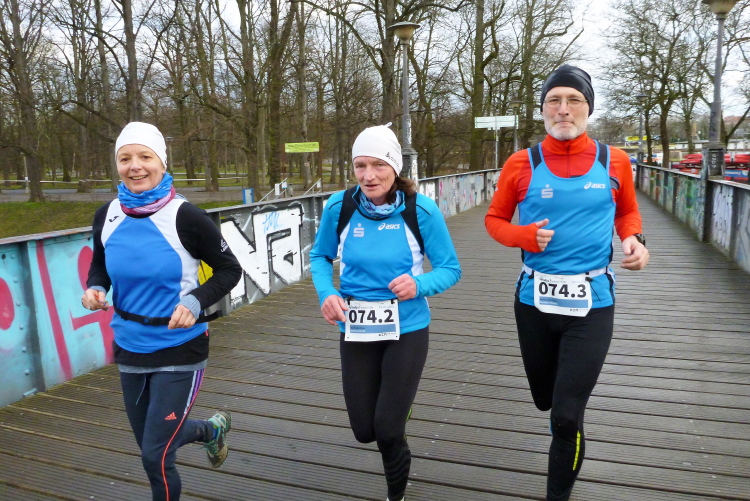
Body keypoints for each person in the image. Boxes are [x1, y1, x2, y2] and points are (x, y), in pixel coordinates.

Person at [485, 65, 649, 501]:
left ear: (588, 109)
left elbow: (626, 211)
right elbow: (494, 220)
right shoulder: (521, 163)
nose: (563, 109)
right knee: (545, 399)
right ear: (542, 110)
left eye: (574, 100)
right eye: (553, 101)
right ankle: (558, 406)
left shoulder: (614, 160)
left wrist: (634, 239)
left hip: (592, 304)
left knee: (566, 416)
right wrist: (523, 236)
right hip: (533, 302)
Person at [82, 122, 242, 501]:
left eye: (145, 156)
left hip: (179, 347)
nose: (135, 166)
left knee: (155, 456)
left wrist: (194, 301)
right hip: (130, 346)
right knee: (153, 443)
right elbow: (100, 264)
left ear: (162, 163)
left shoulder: (186, 217)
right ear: (117, 165)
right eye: (125, 158)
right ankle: (210, 430)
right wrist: (95, 288)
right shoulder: (107, 215)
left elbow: (230, 269)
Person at [310, 124, 461, 501]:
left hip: (407, 327)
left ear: (395, 167)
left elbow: (450, 268)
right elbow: (320, 256)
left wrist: (419, 285)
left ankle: (397, 493)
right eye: (360, 166)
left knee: (389, 430)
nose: (369, 175)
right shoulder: (340, 207)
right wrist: (327, 292)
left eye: (378, 165)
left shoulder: (421, 210)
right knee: (365, 430)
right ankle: (396, 410)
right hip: (356, 327)